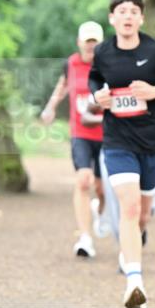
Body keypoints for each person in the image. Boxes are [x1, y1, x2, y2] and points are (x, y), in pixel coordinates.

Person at [88, 0, 155, 308]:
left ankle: (130, 248)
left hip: (153, 142)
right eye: (122, 11)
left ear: (141, 18)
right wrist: (98, 96)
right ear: (112, 18)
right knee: (130, 208)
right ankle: (135, 282)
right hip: (118, 141)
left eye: (134, 11)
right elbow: (95, 79)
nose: (128, 16)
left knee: (143, 214)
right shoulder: (104, 52)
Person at [40, 21, 109, 258]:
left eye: (95, 42)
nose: (91, 46)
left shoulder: (109, 63)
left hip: (106, 134)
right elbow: (63, 86)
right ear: (79, 42)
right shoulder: (71, 63)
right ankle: (85, 238)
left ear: (100, 44)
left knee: (102, 190)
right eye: (87, 41)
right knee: (82, 181)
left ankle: (99, 210)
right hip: (80, 133)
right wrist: (50, 107)